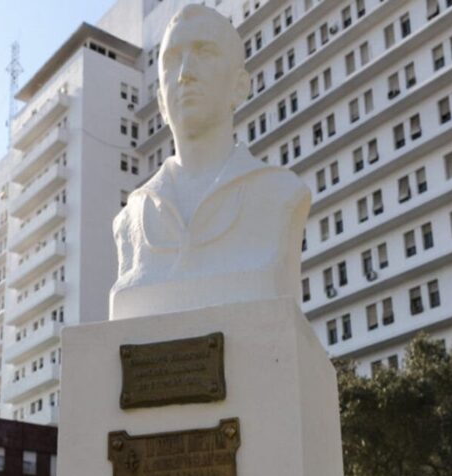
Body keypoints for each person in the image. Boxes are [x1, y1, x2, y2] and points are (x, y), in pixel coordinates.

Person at [110, 4, 310, 320]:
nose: (185, 73)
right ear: (160, 102)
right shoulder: (130, 219)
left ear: (239, 87)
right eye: (172, 60)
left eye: (204, 53)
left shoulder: (281, 194)